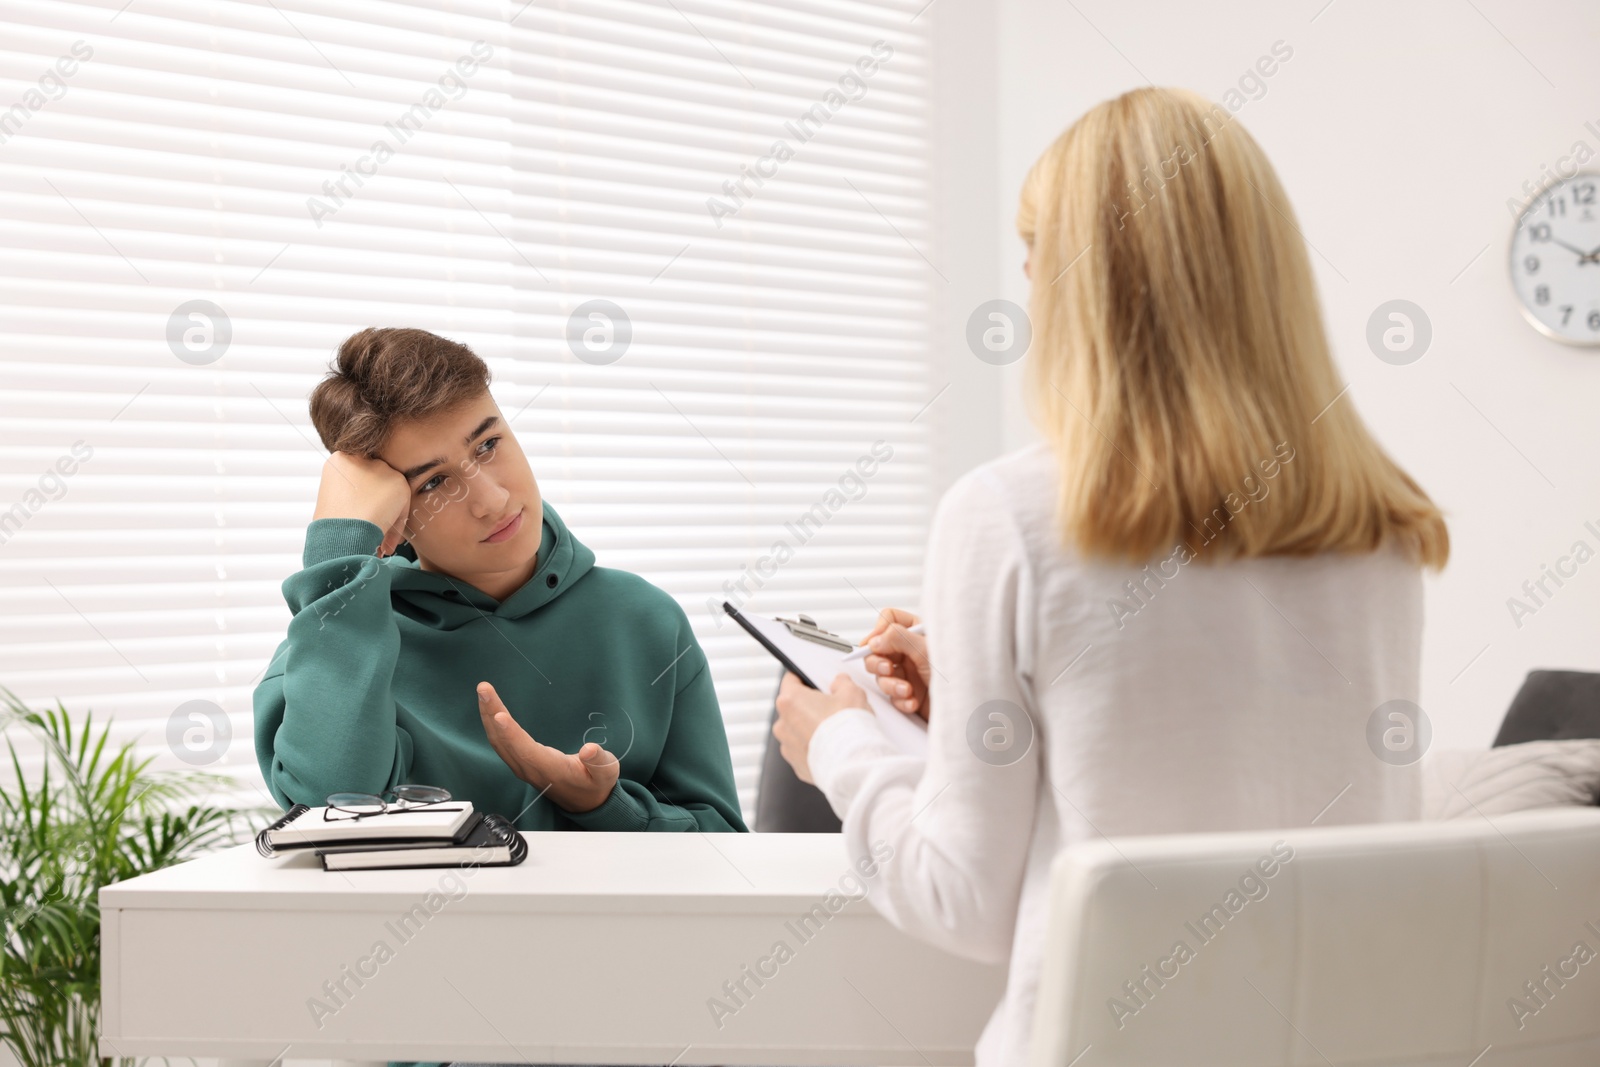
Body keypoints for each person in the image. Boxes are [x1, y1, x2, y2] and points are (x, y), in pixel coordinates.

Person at [770, 86, 1449, 1067]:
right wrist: (979, 696)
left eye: (1035, 255)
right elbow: (1217, 769)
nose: (1029, 283)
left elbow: (962, 899)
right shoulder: (1377, 527)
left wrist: (838, 745)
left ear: (1083, 284)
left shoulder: (1006, 515)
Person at [253, 326, 747, 837]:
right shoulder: (331, 649)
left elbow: (729, 851)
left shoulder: (646, 620)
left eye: (488, 444)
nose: (490, 499)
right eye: (435, 482)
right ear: (393, 513)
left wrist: (604, 805)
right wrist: (339, 545)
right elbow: (330, 816)